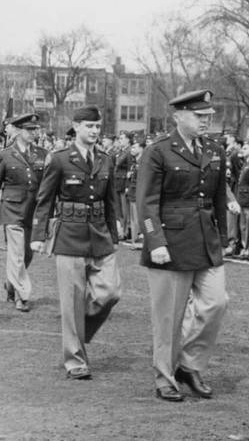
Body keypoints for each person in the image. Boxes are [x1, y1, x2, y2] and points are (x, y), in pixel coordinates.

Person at [137, 89, 229, 402]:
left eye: (208, 117)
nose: (206, 121)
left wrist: (224, 240)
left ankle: (189, 365)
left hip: (206, 240)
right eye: (199, 116)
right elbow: (146, 203)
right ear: (178, 116)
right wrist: (154, 241)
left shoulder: (215, 149)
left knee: (216, 302)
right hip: (170, 242)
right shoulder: (159, 151)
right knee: (168, 317)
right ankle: (164, 376)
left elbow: (218, 199)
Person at [31, 106, 122, 379]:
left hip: (100, 234)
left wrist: (114, 234)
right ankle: (75, 361)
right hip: (69, 235)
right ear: (76, 127)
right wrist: (38, 235)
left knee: (110, 293)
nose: (94, 131)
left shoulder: (106, 160)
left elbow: (110, 201)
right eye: (89, 126)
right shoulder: (59, 159)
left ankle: (78, 330)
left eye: (97, 127)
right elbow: (44, 199)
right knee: (71, 302)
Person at [1, 113, 47, 312]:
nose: (34, 133)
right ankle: (22, 295)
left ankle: (11, 284)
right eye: (30, 129)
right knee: (17, 253)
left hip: (33, 211)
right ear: (19, 130)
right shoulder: (5, 155)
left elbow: (47, 183)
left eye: (35, 129)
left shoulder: (43, 154)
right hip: (12, 210)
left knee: (27, 255)